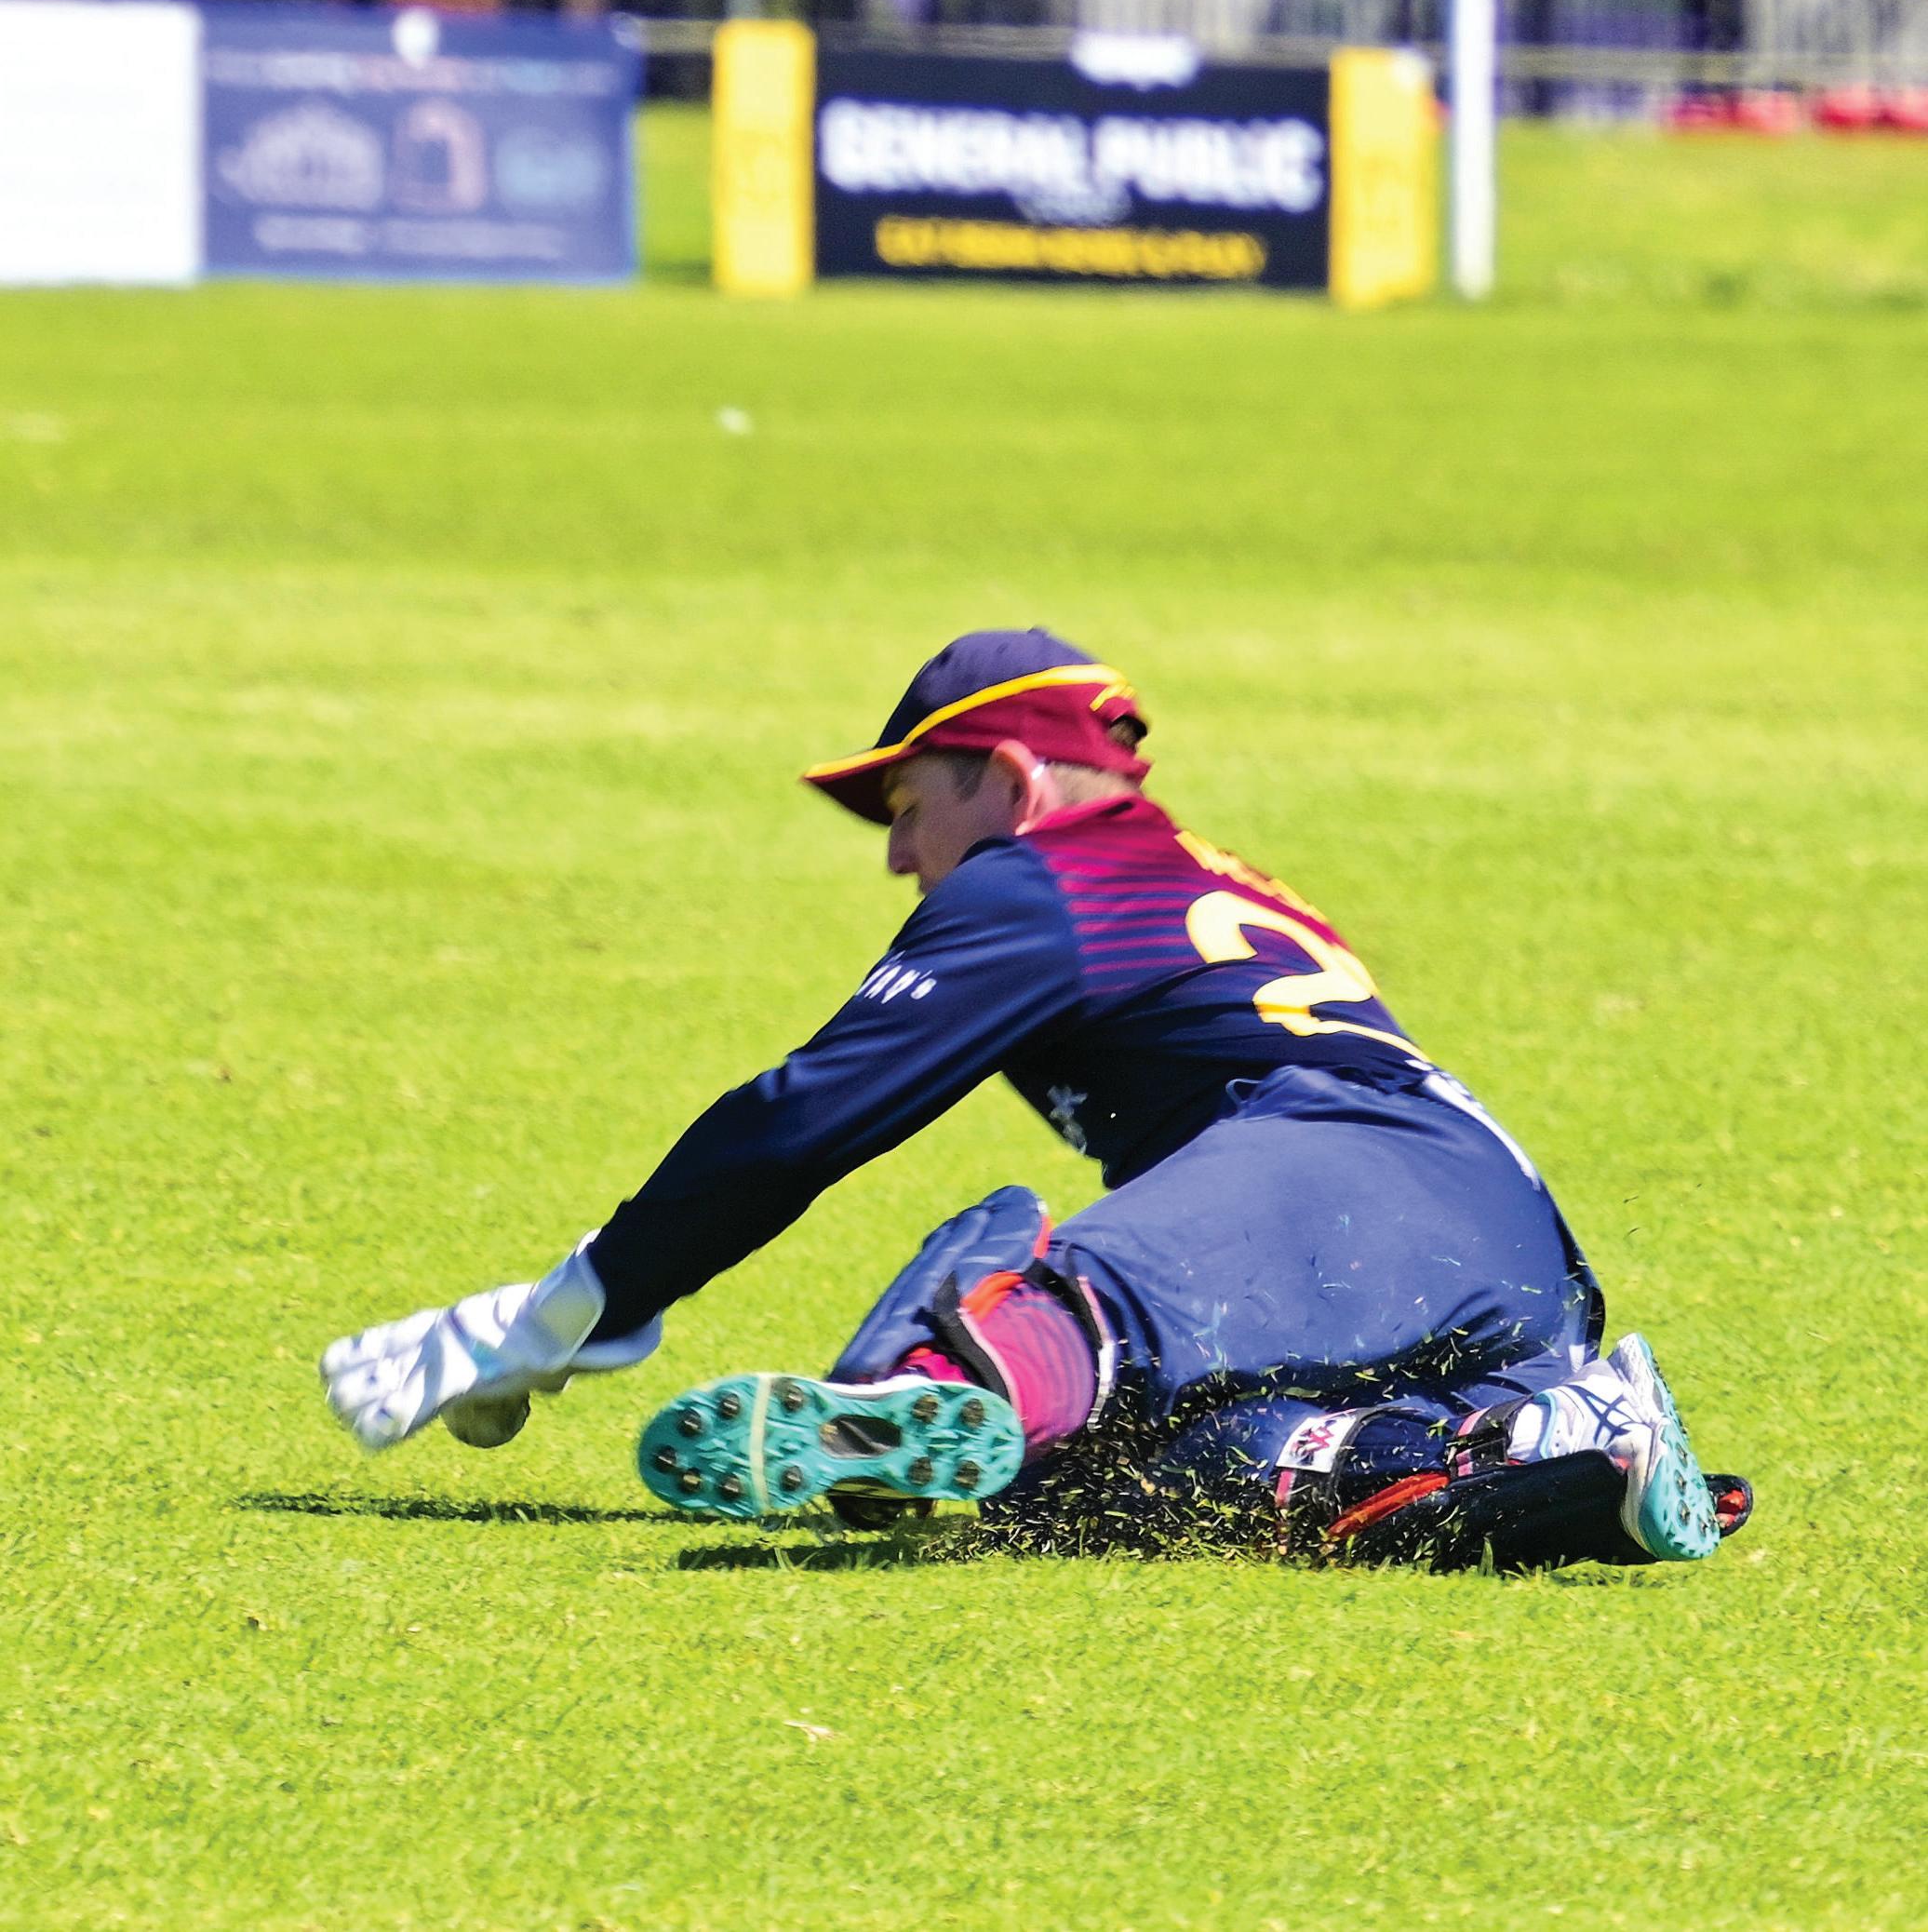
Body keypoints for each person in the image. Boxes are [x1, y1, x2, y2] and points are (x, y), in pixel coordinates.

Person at [321, 629, 1750, 1570]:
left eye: (908, 810)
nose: (899, 860)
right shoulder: (1193, 871)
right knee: (1146, 1482)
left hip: (1343, 1174)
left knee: (1033, 1277)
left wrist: (572, 1309)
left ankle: (928, 1394)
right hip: (1500, 1258)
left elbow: (803, 1117)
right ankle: (1544, 1442)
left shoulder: (1044, 880)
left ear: (1008, 780)